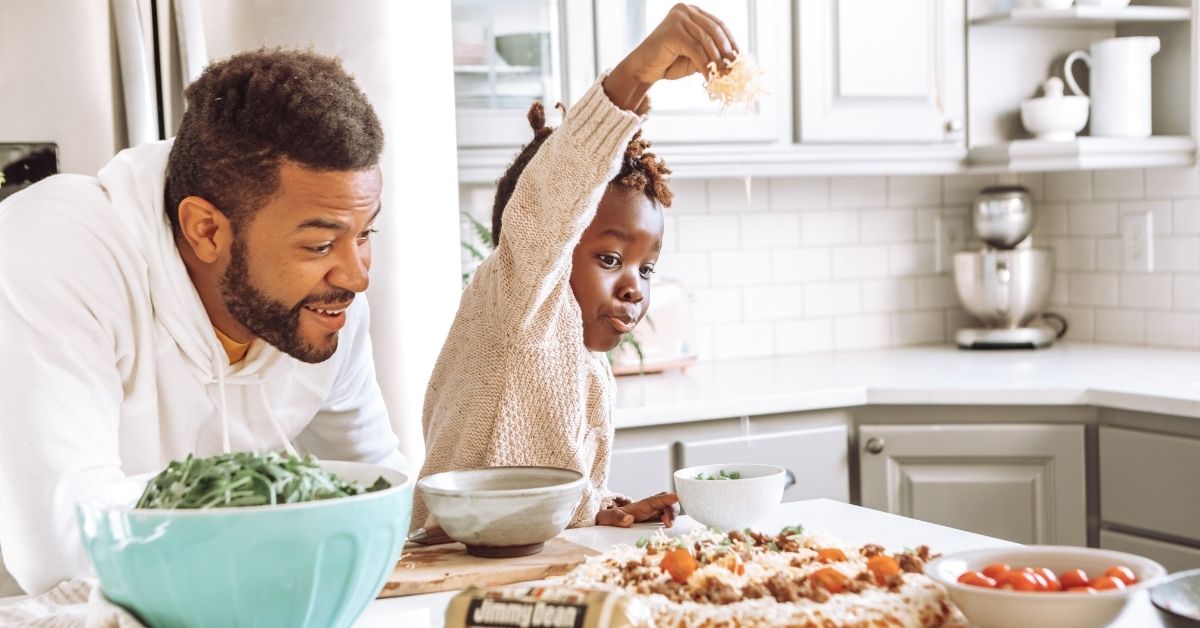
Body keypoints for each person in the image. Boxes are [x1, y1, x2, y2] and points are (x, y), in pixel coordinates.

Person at [0, 48, 405, 595]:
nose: (357, 276)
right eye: (318, 243)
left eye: (365, 234)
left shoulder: (322, 299)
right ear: (206, 231)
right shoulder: (55, 250)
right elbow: (66, 550)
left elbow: (380, 493)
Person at [417, 4, 739, 531]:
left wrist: (604, 510)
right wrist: (636, 74)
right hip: (446, 563)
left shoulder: (585, 362)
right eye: (610, 259)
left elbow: (545, 495)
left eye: (647, 268)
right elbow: (556, 194)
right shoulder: (517, 303)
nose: (634, 286)